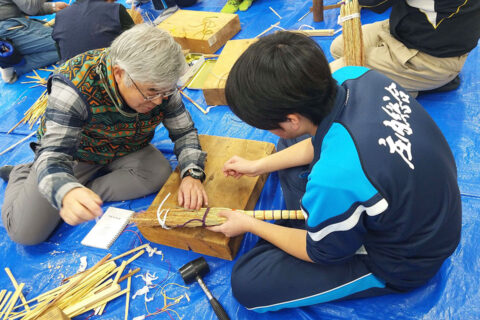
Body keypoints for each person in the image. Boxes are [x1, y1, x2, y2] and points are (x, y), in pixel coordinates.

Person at [208, 32, 461, 312]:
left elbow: (319, 254)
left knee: (248, 283)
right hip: (425, 208)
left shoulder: (337, 176)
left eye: (266, 124)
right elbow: (324, 139)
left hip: (407, 260)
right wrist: (257, 166)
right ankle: (321, 221)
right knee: (289, 147)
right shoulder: (356, 76)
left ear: (291, 119)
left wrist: (249, 223)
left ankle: (322, 228)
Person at [1, 24, 208, 245]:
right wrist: (65, 191)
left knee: (158, 172)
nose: (159, 101)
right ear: (119, 74)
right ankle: (23, 173)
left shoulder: (159, 83)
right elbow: (53, 154)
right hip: (78, 156)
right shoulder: (73, 86)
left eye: (165, 92)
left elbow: (184, 131)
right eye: (151, 93)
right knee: (26, 233)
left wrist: (191, 174)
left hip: (127, 147)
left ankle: (84, 194)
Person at [329, 0, 480, 95]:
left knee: (334, 75)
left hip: (428, 58)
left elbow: (372, 1)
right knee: (339, 47)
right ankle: (408, 83)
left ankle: (426, 82)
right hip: (404, 30)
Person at [0, 0, 68, 83]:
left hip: (16, 22)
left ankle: (13, 57)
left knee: (67, 39)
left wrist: (52, 6)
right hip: (8, 29)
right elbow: (31, 7)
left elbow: (22, 6)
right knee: (69, 44)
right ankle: (14, 63)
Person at [52, 0, 135, 63]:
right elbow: (138, 46)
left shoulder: (60, 15)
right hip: (107, 79)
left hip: (68, 81)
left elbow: (61, 54)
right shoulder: (115, 9)